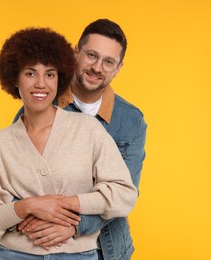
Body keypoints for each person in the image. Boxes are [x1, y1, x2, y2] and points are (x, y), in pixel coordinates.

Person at [0, 27, 138, 259]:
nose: (40, 83)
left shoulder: (90, 130)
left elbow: (124, 193)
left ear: (60, 78)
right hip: (14, 254)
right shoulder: (0, 144)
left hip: (81, 253)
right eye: (29, 73)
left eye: (49, 74)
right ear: (14, 78)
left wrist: (69, 205)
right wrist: (28, 206)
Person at [14, 19, 147, 260]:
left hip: (108, 250)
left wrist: (75, 225)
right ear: (76, 53)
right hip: (44, 247)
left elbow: (125, 193)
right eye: (91, 56)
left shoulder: (131, 121)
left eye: (109, 62)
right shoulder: (38, 104)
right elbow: (17, 184)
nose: (98, 67)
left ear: (118, 68)